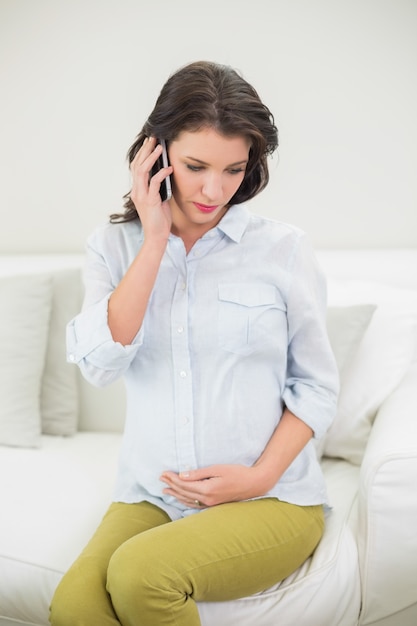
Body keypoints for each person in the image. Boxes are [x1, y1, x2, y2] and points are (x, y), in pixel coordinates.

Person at [49, 60, 339, 626]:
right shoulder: (112, 248)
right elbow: (100, 365)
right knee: (73, 607)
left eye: (234, 169)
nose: (215, 189)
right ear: (156, 156)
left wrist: (257, 476)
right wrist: (154, 240)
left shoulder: (282, 250)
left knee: (141, 576)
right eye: (195, 166)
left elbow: (316, 387)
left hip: (271, 498)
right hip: (151, 494)